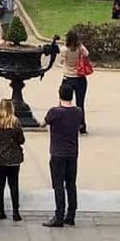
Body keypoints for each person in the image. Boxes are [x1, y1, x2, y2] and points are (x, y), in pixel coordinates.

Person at [43, 81, 84, 228]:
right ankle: (71, 214)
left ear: (59, 95)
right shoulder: (78, 111)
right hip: (72, 153)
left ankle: (59, 215)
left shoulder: (54, 112)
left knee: (58, 185)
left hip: (57, 153)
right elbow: (80, 125)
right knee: (71, 184)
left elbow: (44, 123)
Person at [0, 98, 24, 222]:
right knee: (14, 185)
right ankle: (15, 212)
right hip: (13, 158)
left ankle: (1, 212)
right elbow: (21, 140)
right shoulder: (15, 122)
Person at [55, 29, 90, 133]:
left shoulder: (64, 49)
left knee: (64, 103)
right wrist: (80, 45)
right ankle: (81, 125)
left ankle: (62, 124)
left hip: (68, 78)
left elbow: (61, 61)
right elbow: (87, 54)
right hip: (80, 78)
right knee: (80, 104)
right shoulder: (80, 49)